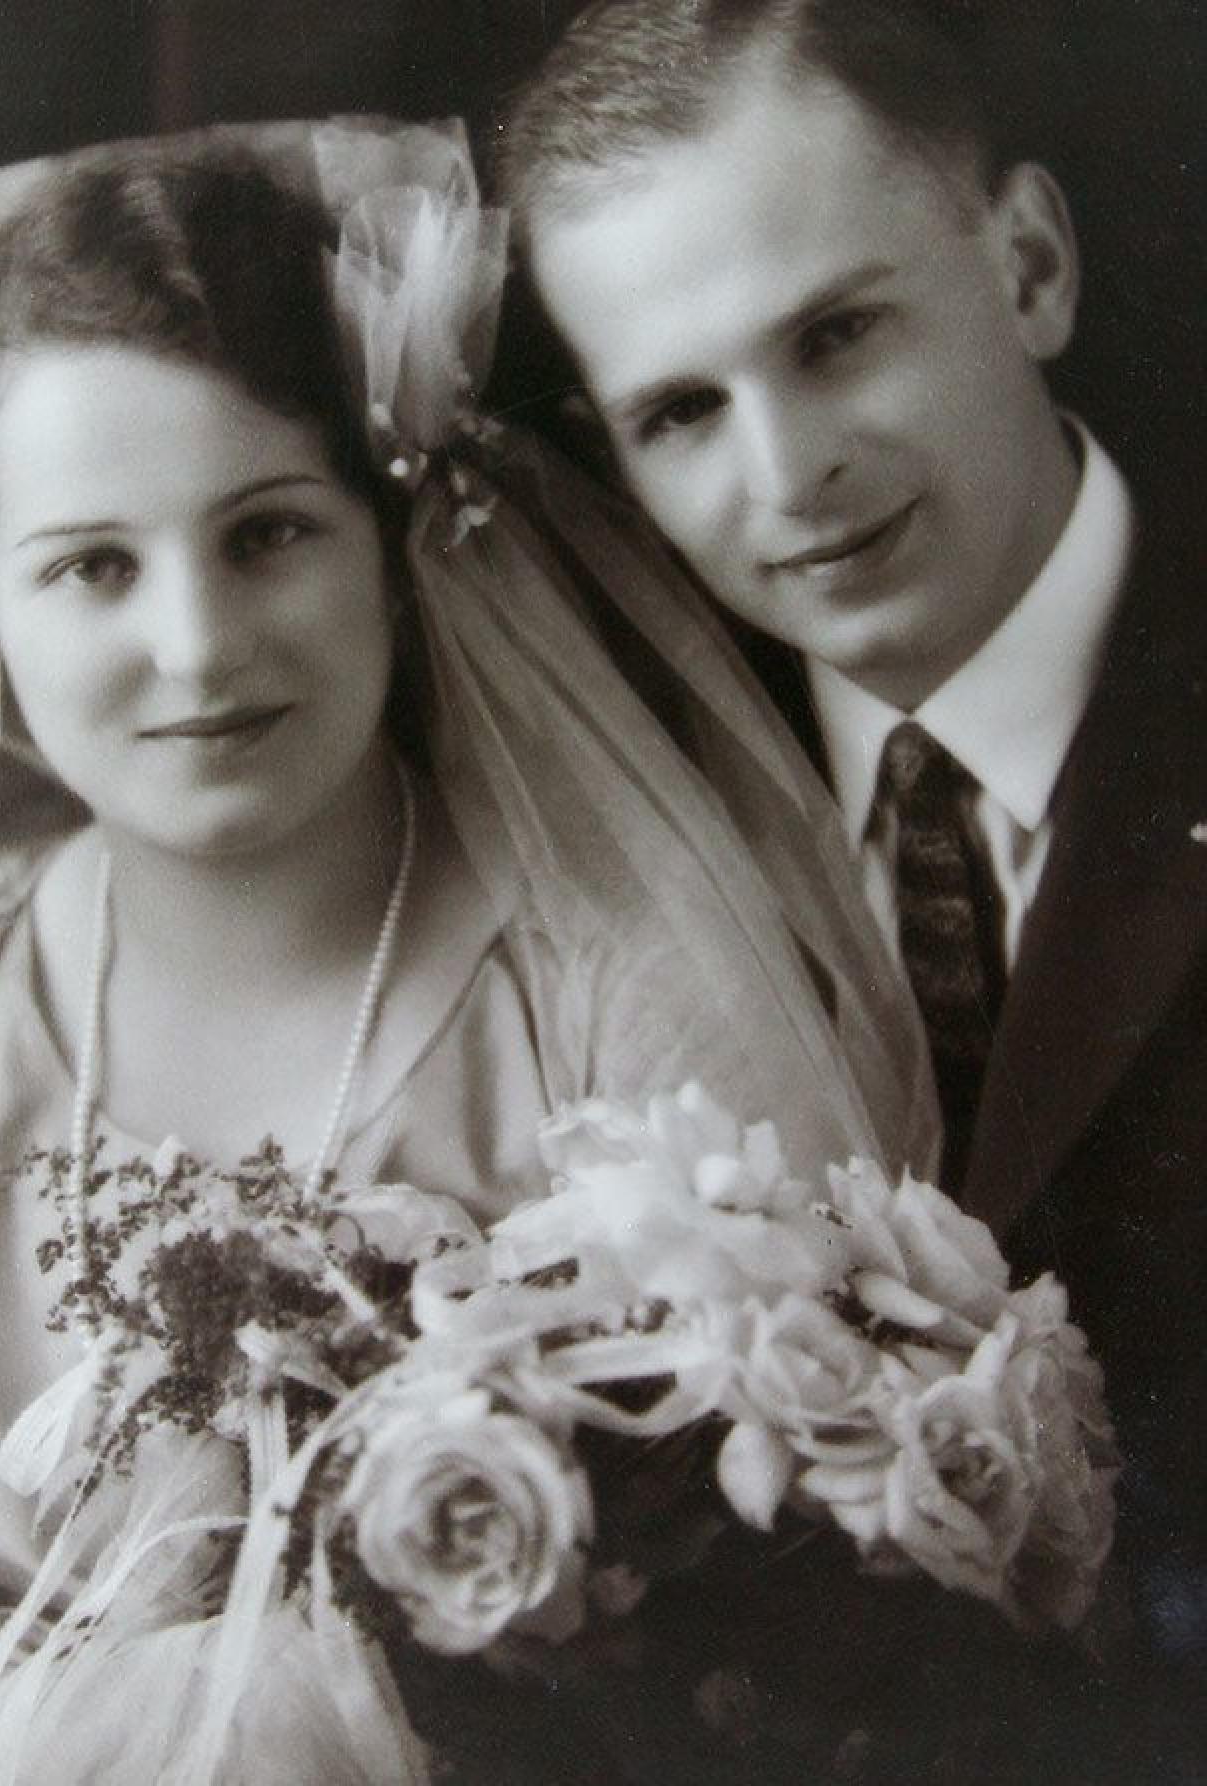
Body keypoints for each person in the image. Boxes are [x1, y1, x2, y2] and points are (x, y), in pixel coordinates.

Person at [0, 121, 935, 1782]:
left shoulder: (624, 1006)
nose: (195, 646)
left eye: (269, 533)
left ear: (397, 542)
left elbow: (797, 1657)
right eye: (93, 567)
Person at [499, 0, 1207, 1760]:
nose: (784, 470)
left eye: (837, 335)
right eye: (677, 412)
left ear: (1030, 267)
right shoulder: (612, 793)